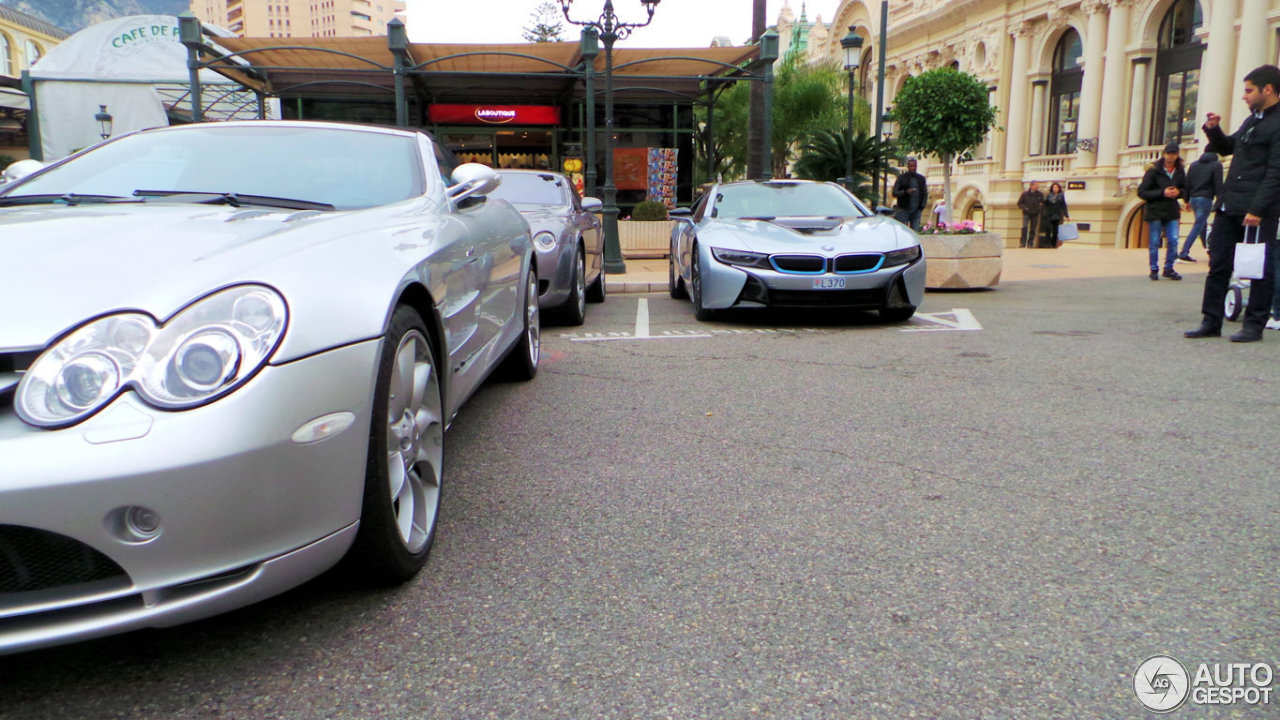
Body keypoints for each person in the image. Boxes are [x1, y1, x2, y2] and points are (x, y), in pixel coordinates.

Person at [1185, 64, 1280, 343]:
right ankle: (1210, 321)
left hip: (1257, 210)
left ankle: (1253, 326)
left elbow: (1276, 171)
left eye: (1249, 91)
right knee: (1218, 264)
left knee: (1259, 267)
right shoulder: (1252, 120)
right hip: (1229, 205)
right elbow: (1227, 147)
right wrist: (1213, 131)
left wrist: (1258, 209)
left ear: (1268, 90)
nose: (1244, 96)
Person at [1137, 142, 1186, 280]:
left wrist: (1179, 192)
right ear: (1164, 154)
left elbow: (1186, 189)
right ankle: (1154, 268)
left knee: (1174, 239)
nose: (1171, 157)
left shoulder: (1180, 171)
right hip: (1155, 210)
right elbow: (1142, 192)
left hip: (1171, 210)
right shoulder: (1153, 171)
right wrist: (1162, 192)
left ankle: (1169, 268)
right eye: (1169, 153)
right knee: (1154, 241)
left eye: (1174, 154)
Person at [1178, 150, 1224, 262]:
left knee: (1201, 225)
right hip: (1206, 198)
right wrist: (1221, 200)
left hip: (1193, 198)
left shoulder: (1194, 165)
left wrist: (1186, 200)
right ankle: (1184, 252)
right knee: (1198, 225)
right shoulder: (1216, 165)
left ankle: (1209, 250)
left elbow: (1187, 182)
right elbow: (1218, 184)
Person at [891, 157, 927, 231]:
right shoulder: (901, 178)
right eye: (911, 166)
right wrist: (906, 192)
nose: (913, 168)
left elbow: (925, 193)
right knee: (903, 231)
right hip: (903, 210)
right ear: (908, 167)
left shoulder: (921, 179)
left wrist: (922, 206)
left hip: (916, 210)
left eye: (914, 166)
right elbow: (894, 193)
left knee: (914, 232)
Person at [1017, 180, 1045, 248]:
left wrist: (1039, 208)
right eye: (1036, 185)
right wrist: (1025, 208)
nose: (1037, 187)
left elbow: (1042, 203)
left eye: (1038, 185)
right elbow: (1019, 203)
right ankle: (1023, 243)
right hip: (1026, 213)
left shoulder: (1040, 194)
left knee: (1033, 229)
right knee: (1024, 227)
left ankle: (1030, 243)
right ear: (1031, 186)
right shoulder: (1025, 194)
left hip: (1035, 213)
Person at [1041, 182, 1070, 248]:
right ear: (1052, 188)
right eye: (1054, 187)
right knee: (1048, 229)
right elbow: (1045, 205)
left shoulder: (1061, 196)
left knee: (1055, 230)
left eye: (1056, 187)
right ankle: (1047, 243)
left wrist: (1067, 215)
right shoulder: (1049, 196)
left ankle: (1053, 244)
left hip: (1057, 215)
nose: (1055, 189)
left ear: (1059, 188)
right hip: (1049, 214)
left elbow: (1064, 206)